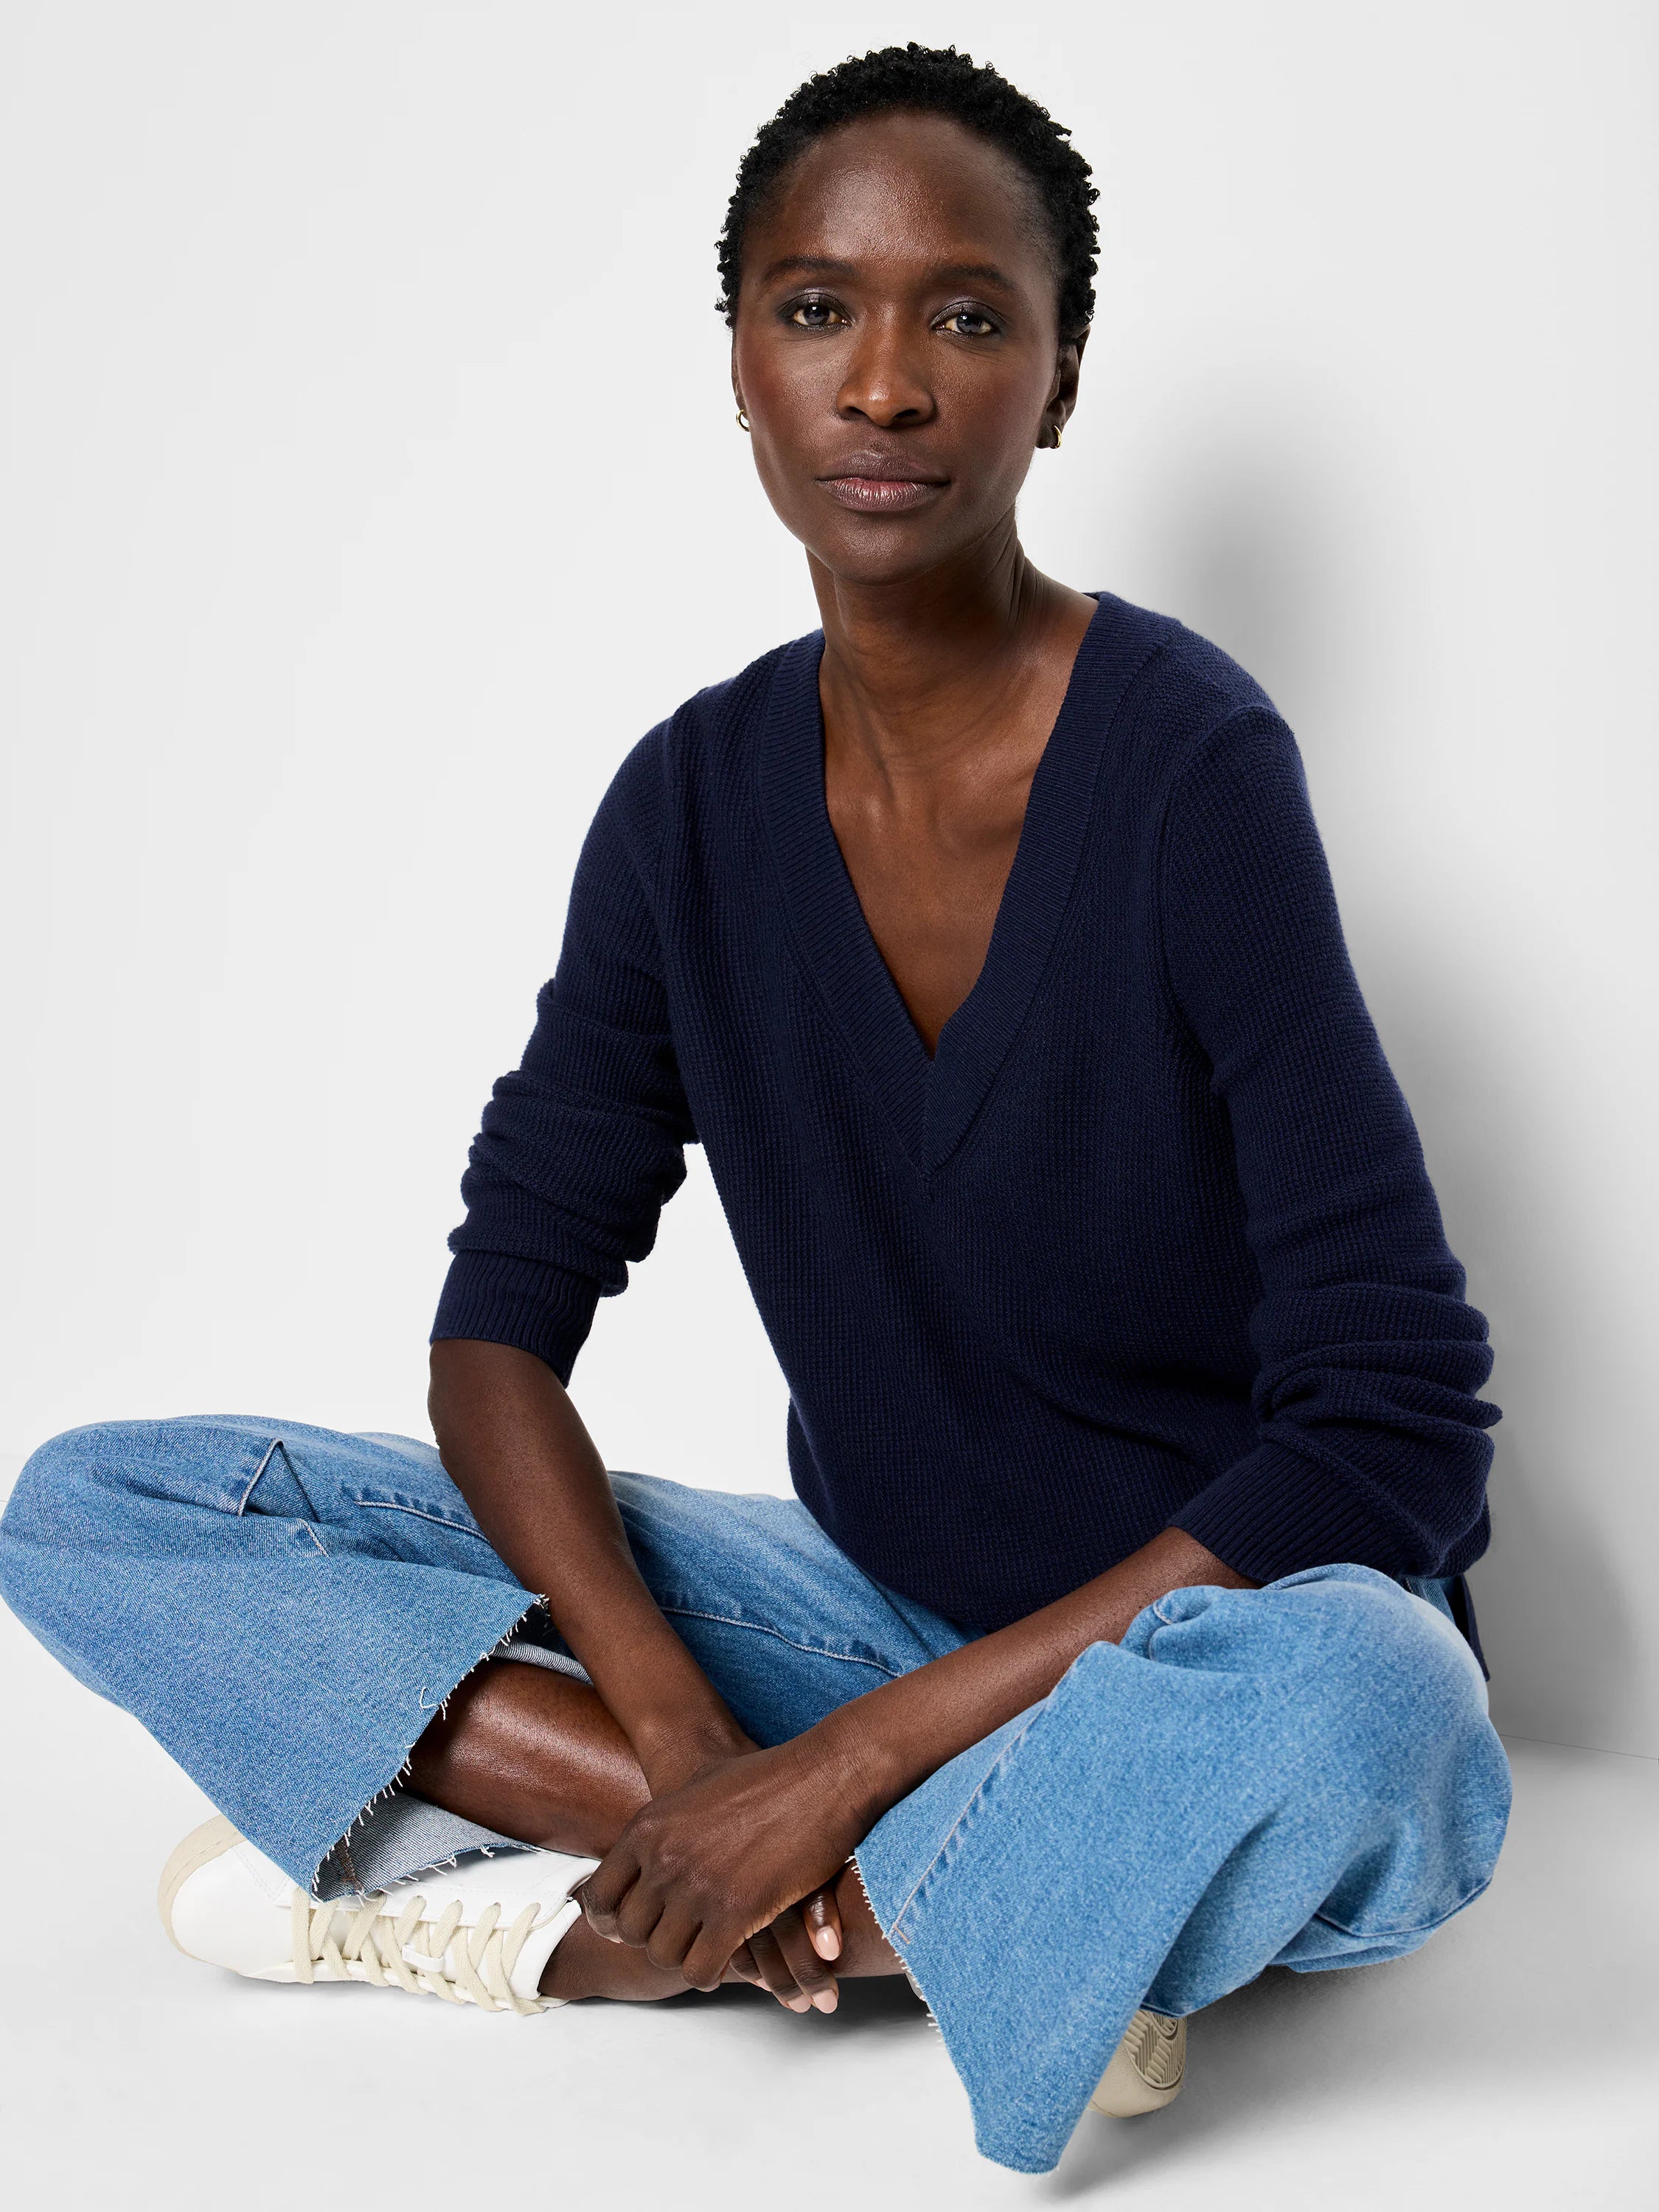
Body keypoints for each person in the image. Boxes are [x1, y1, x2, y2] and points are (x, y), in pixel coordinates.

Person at [0, 44, 1509, 2176]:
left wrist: (836, 1766)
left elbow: (1395, 1424)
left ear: (1057, 381)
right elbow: (499, 1328)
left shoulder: (1184, 771)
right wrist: (701, 1736)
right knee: (100, 1501)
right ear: (738, 361)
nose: (881, 382)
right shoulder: (688, 808)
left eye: (964, 315)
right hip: (857, 1610)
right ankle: (983, 1924)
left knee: (1385, 1705)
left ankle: (608, 1921)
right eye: (815, 307)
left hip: (1194, 1639)